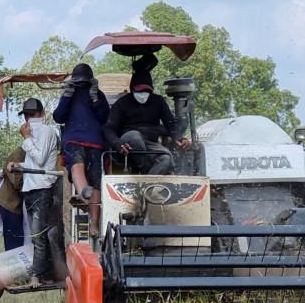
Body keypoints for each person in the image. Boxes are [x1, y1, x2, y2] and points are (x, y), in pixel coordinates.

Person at [11, 97, 63, 286]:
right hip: (30, 189)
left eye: (33, 115)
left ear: (42, 115)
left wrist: (25, 139)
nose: (30, 118)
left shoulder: (47, 131)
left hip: (42, 190)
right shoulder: (32, 134)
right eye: (27, 115)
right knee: (37, 236)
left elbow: (40, 160)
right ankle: (47, 274)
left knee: (37, 235)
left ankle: (36, 276)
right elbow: (34, 162)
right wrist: (19, 165)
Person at [53, 62, 109, 237]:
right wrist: (94, 98)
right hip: (96, 141)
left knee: (77, 165)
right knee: (95, 177)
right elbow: (105, 117)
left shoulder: (70, 95)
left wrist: (67, 95)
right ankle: (94, 225)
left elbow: (58, 117)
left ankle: (83, 191)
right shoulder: (97, 94)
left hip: (74, 139)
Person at [102, 69, 190, 175]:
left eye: (147, 91)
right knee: (135, 137)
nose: (143, 94)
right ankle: (145, 170)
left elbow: (170, 123)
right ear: (132, 89)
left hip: (150, 143)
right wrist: (118, 143)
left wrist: (178, 138)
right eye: (140, 91)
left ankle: (148, 187)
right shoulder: (122, 103)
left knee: (166, 159)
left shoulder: (158, 101)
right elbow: (108, 128)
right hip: (127, 143)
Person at [0, 146, 25, 250]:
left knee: (15, 240)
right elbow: (16, 180)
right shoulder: (21, 152)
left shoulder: (25, 152)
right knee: (14, 243)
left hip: (13, 203)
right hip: (10, 203)